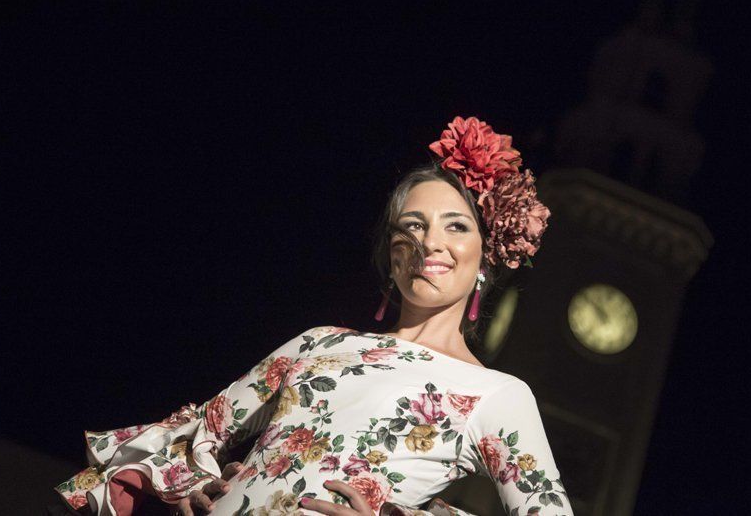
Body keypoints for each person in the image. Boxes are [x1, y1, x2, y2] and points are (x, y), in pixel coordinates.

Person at [53, 116, 573, 515]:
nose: (428, 242)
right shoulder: (320, 343)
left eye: (456, 226)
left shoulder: (498, 394)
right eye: (411, 226)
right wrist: (191, 484)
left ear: (486, 256)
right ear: (392, 255)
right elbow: (201, 431)